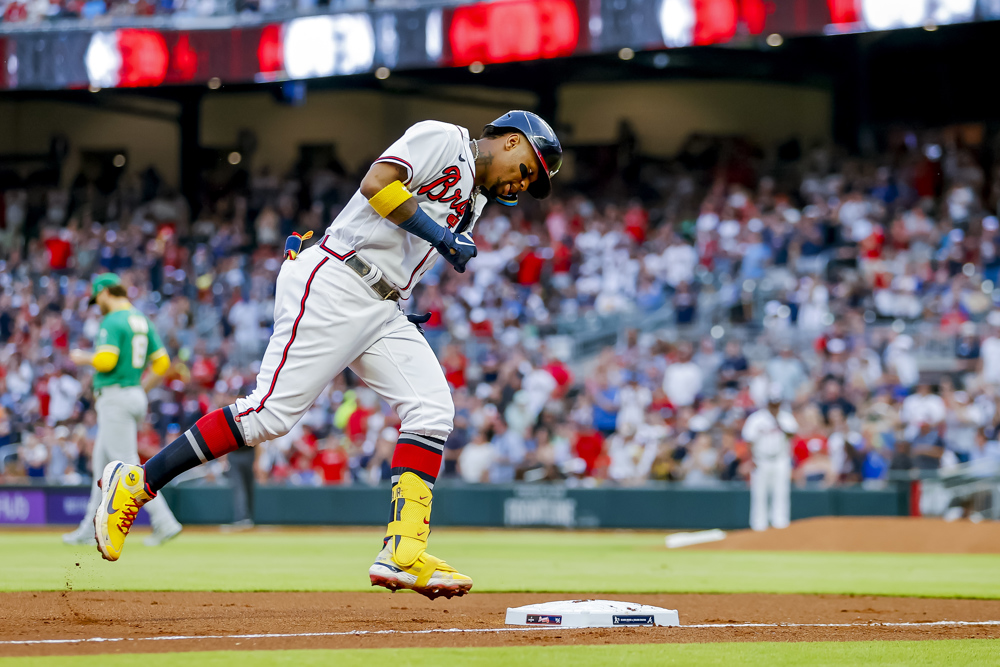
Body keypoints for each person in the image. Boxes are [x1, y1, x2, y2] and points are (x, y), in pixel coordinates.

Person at [93, 111, 562, 600]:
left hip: (381, 305)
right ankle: (137, 483)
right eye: (529, 168)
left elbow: (404, 248)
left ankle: (402, 552)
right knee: (268, 417)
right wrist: (442, 238)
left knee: (432, 408)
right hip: (337, 280)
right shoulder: (443, 138)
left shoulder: (476, 200)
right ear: (510, 141)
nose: (524, 184)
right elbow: (378, 184)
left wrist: (402, 294)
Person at [62, 273, 183, 547]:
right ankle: (87, 529)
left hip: (115, 396)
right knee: (99, 469)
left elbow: (106, 359)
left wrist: (83, 357)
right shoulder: (141, 319)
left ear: (106, 292)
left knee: (129, 465)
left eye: (98, 298)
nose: (97, 304)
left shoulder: (113, 319)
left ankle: (165, 521)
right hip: (131, 394)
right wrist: (140, 388)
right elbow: (162, 363)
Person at [741, 385, 798, 531]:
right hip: (760, 459)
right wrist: (750, 459)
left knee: (781, 493)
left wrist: (778, 422)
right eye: (772, 403)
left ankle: (780, 524)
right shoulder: (756, 419)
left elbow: (793, 434)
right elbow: (748, 440)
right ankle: (759, 526)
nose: (774, 406)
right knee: (759, 494)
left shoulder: (785, 417)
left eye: (777, 403)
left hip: (780, 459)